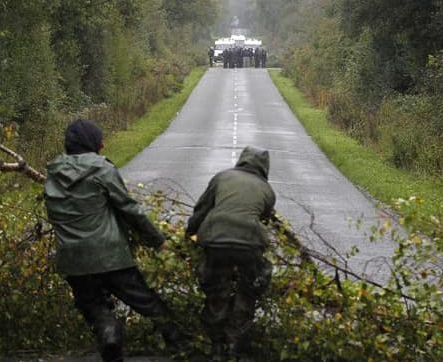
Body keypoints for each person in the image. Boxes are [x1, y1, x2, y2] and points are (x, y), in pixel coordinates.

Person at [43, 119, 185, 362]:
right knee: (146, 301)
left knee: (93, 305)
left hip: (73, 259)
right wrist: (157, 240)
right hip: (109, 254)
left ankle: (109, 334)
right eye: (100, 142)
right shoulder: (101, 169)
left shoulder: (53, 172)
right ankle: (182, 346)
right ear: (93, 144)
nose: (104, 145)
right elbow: (128, 209)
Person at [186, 146, 276, 360]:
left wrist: (189, 233)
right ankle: (234, 343)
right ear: (264, 167)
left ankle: (216, 346)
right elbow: (262, 219)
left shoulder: (221, 177)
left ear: (242, 160)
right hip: (250, 244)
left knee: (216, 290)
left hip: (215, 239)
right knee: (249, 288)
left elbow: (201, 209)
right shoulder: (267, 190)